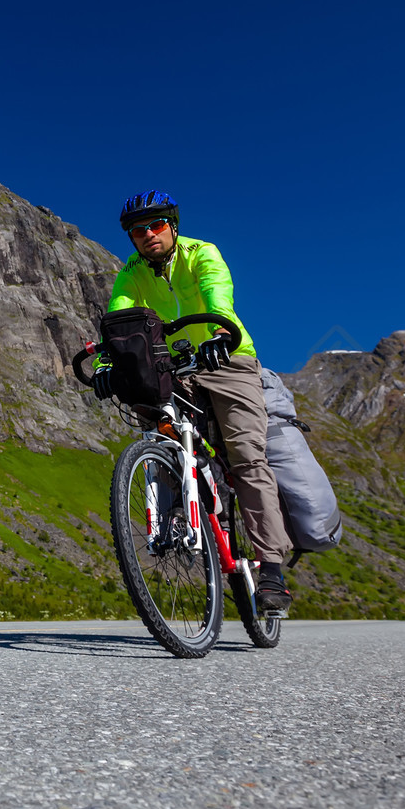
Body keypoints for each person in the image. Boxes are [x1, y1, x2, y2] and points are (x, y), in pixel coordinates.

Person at [93, 189, 293, 612]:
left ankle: (272, 566)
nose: (148, 235)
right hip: (177, 369)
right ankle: (186, 523)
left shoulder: (201, 253)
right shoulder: (131, 273)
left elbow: (218, 292)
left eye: (156, 225)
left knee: (245, 457)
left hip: (227, 359)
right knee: (163, 433)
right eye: (137, 230)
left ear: (173, 226)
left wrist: (221, 332)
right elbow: (119, 319)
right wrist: (107, 362)